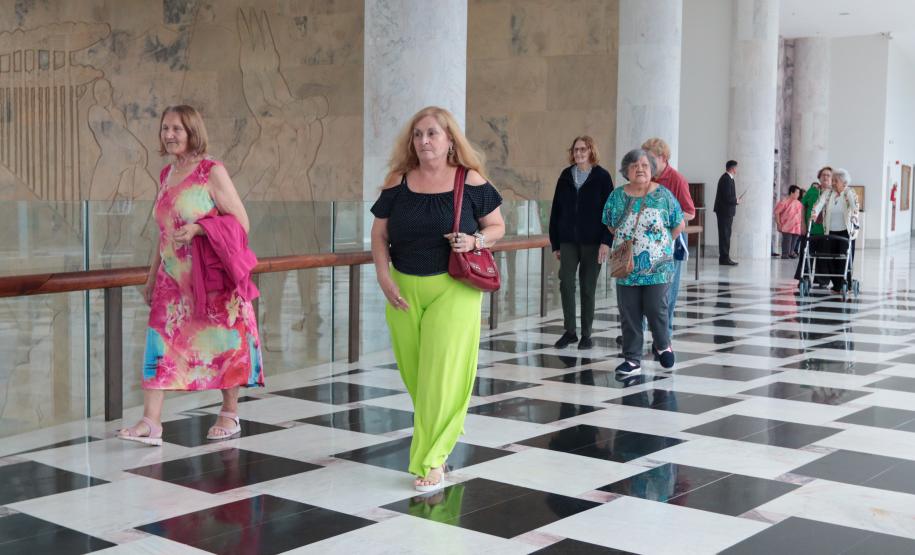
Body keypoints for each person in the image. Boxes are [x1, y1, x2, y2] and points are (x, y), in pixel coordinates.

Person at [370, 106, 505, 492]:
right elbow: (379, 235)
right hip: (404, 289)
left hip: (454, 287)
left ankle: (432, 460)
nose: (424, 141)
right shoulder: (398, 181)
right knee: (417, 377)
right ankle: (439, 438)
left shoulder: (470, 179)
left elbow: (498, 225)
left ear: (449, 139)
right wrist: (383, 274)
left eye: (432, 133)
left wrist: (475, 240)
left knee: (441, 378)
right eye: (417, 134)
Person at [118, 105, 264, 446]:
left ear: (192, 132)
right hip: (173, 280)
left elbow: (242, 222)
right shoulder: (166, 175)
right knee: (159, 344)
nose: (169, 135)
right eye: (165, 128)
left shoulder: (211, 171)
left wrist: (200, 228)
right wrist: (152, 278)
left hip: (211, 282)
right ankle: (151, 422)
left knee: (222, 343)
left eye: (177, 129)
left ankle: (229, 413)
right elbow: (164, 232)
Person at [603, 149, 684, 376]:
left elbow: (678, 225)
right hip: (626, 266)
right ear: (626, 171)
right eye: (634, 166)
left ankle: (662, 344)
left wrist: (660, 246)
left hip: (658, 266)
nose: (640, 169)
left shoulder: (664, 195)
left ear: (652, 170)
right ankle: (632, 359)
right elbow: (610, 224)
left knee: (656, 307)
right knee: (629, 312)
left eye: (645, 166)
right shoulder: (617, 196)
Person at [548, 136, 614, 350]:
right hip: (567, 240)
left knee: (588, 288)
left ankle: (586, 334)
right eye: (576, 149)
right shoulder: (566, 176)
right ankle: (570, 331)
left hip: (593, 242)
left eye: (583, 149)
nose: (578, 153)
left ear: (591, 151)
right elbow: (556, 210)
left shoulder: (602, 177)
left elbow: (610, 213)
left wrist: (606, 241)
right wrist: (555, 243)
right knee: (565, 283)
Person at [641, 138, 695, 335]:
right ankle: (637, 332)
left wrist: (665, 218)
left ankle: (664, 336)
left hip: (671, 240)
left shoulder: (677, 179)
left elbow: (690, 212)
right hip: (646, 242)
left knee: (666, 292)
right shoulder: (645, 178)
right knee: (642, 287)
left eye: (650, 157)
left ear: (663, 158)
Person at [810, 168, 859, 294]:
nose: (832, 183)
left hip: (845, 232)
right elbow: (819, 203)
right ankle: (836, 285)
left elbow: (855, 206)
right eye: (833, 180)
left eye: (835, 181)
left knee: (844, 259)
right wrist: (814, 214)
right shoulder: (828, 193)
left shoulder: (849, 192)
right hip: (830, 232)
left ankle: (845, 283)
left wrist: (854, 215)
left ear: (844, 182)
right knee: (830, 258)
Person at [795, 168, 832, 286]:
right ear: (819, 177)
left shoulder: (833, 193)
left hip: (825, 231)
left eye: (828, 175)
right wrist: (803, 223)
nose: (825, 177)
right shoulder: (812, 191)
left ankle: (822, 280)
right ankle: (804, 277)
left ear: (832, 178)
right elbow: (803, 207)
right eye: (823, 175)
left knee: (823, 256)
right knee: (806, 254)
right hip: (810, 228)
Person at [714, 160, 739, 265]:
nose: (737, 170)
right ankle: (724, 258)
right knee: (724, 235)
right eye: (736, 168)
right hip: (724, 212)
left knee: (726, 235)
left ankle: (725, 257)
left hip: (727, 212)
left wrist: (734, 201)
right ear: (732, 168)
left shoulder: (729, 179)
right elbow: (727, 197)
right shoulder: (726, 179)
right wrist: (735, 200)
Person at [774, 185, 803, 258]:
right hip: (787, 226)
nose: (798, 195)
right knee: (787, 241)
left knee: (794, 242)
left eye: (799, 193)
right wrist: (778, 223)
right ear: (791, 193)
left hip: (797, 227)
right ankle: (785, 254)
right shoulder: (784, 201)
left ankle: (791, 253)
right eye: (797, 192)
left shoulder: (799, 203)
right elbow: (777, 212)